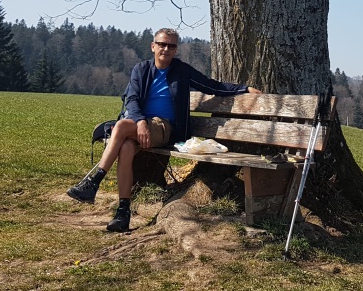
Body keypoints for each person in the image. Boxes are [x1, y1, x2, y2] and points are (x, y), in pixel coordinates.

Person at [66, 27, 262, 232]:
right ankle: (123, 213)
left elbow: (212, 86)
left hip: (165, 128)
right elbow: (131, 99)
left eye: (171, 46)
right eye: (162, 44)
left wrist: (244, 89)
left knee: (122, 126)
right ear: (153, 46)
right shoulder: (141, 70)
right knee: (125, 147)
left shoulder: (182, 71)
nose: (166, 49)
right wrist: (141, 122)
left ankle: (94, 182)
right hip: (141, 125)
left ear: (175, 50)